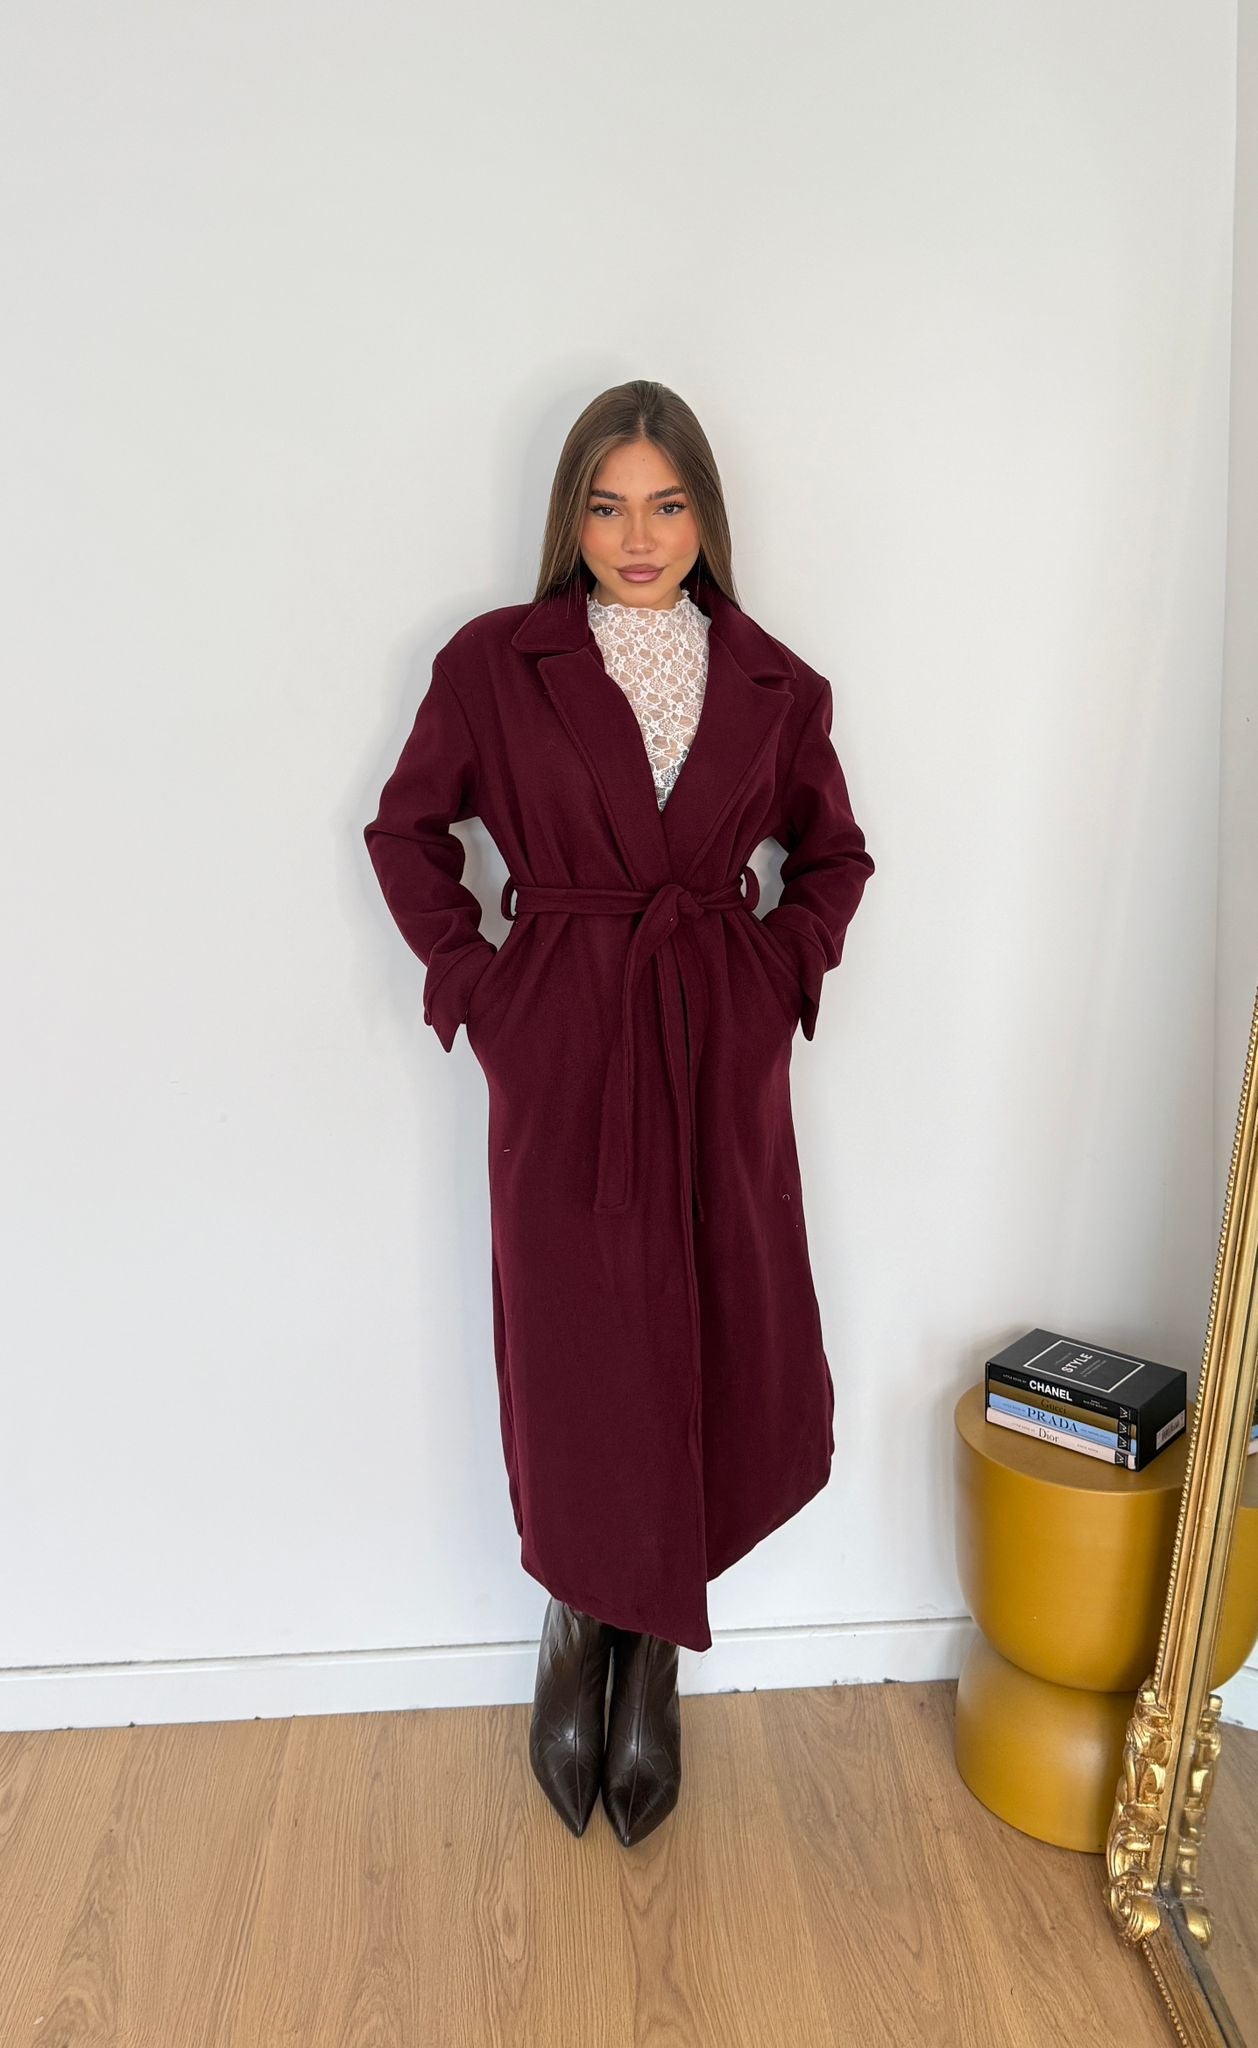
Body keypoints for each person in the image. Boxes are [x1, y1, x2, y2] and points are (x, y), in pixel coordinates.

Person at [364, 379, 875, 1847]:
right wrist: (484, 992)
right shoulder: (495, 663)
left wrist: (774, 974)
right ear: (568, 519)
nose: (636, 536)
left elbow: (833, 857)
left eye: (665, 503)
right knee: (577, 1343)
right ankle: (577, 1618)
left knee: (713, 1320)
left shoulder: (777, 684)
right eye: (605, 505)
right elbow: (406, 831)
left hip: (714, 1046)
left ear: (705, 513)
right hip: (567, 1044)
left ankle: (654, 1643)